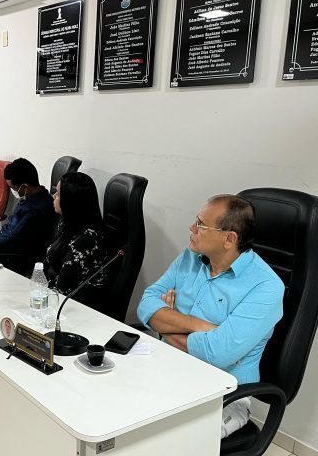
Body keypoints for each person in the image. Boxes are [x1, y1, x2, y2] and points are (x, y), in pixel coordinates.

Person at [136, 194, 284, 439]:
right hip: (168, 368)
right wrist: (201, 326)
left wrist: (165, 323)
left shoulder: (266, 287)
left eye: (201, 224)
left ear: (229, 238)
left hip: (225, 395)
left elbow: (217, 354)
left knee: (166, 438)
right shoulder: (190, 257)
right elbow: (146, 305)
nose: (191, 228)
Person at [0, 158, 57, 275]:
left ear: (24, 187)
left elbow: (11, 242)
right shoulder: (39, 195)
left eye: (13, 188)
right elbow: (16, 225)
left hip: (13, 257)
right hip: (5, 244)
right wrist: (1, 231)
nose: (13, 191)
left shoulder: (35, 211)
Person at [44, 172, 109, 304]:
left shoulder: (87, 239)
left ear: (70, 202)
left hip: (77, 303)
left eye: (58, 194)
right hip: (54, 293)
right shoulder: (66, 222)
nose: (54, 196)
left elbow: (63, 288)